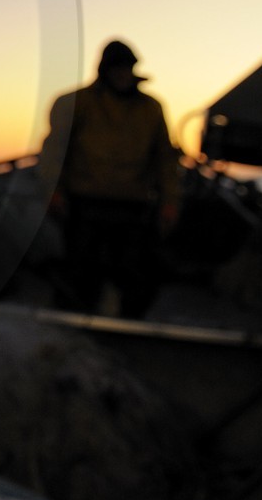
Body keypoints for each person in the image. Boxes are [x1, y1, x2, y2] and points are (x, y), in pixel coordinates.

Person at [38, 38, 181, 317]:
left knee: (135, 272)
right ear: (104, 69)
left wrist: (170, 201)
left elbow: (165, 158)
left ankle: (129, 326)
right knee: (80, 270)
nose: (121, 73)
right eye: (115, 67)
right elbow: (54, 153)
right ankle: (74, 327)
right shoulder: (74, 103)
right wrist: (53, 191)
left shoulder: (151, 108)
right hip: (84, 201)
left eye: (126, 66)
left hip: (133, 204)